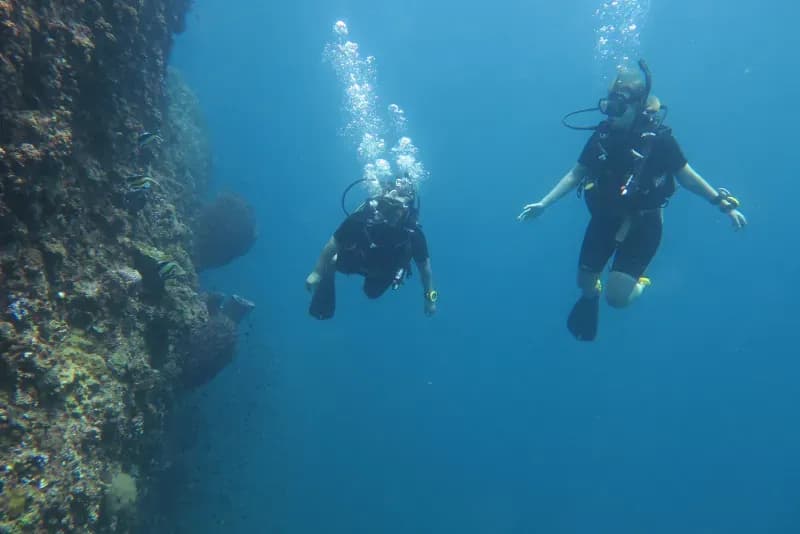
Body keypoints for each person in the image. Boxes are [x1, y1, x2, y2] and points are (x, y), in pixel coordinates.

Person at [517, 60, 747, 341]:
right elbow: (577, 173)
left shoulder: (659, 141)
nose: (610, 113)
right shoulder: (602, 136)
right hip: (605, 218)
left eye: (618, 107)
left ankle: (639, 284)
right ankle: (592, 297)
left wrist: (721, 203)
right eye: (608, 105)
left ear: (638, 105)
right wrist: (544, 203)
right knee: (585, 285)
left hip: (644, 223)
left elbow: (686, 176)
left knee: (617, 298)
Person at [306, 176, 438, 319]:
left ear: (407, 208)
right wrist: (317, 272)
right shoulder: (359, 219)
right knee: (332, 261)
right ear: (381, 200)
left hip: (383, 271)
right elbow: (333, 244)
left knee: (372, 293)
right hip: (358, 259)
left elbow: (425, 270)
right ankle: (328, 281)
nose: (391, 214)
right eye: (388, 206)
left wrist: (430, 298)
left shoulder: (413, 234)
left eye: (397, 210)